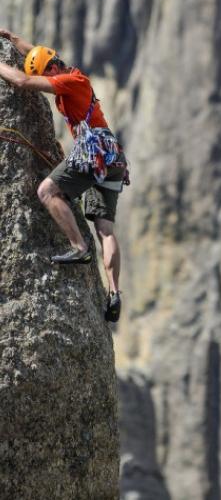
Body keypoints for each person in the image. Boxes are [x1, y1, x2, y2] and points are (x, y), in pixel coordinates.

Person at [0, 29, 127, 322]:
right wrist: (12, 37)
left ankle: (79, 248)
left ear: (54, 69)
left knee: (46, 191)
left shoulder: (69, 81)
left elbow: (23, 81)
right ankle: (114, 292)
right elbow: (37, 55)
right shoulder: (69, 71)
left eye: (49, 74)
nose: (50, 79)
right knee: (106, 229)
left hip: (93, 152)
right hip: (112, 156)